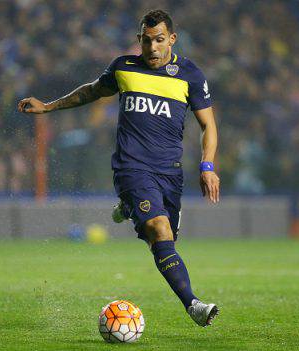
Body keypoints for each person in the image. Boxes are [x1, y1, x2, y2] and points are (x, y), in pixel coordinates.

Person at [18, 9, 220, 327]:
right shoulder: (124, 67)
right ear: (139, 39)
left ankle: (127, 206)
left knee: (164, 242)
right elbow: (92, 91)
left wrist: (207, 165)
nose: (152, 48)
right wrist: (49, 106)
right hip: (132, 168)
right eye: (146, 40)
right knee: (158, 228)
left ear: (172, 39)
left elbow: (208, 124)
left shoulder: (190, 75)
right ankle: (193, 304)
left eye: (159, 40)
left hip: (169, 173)